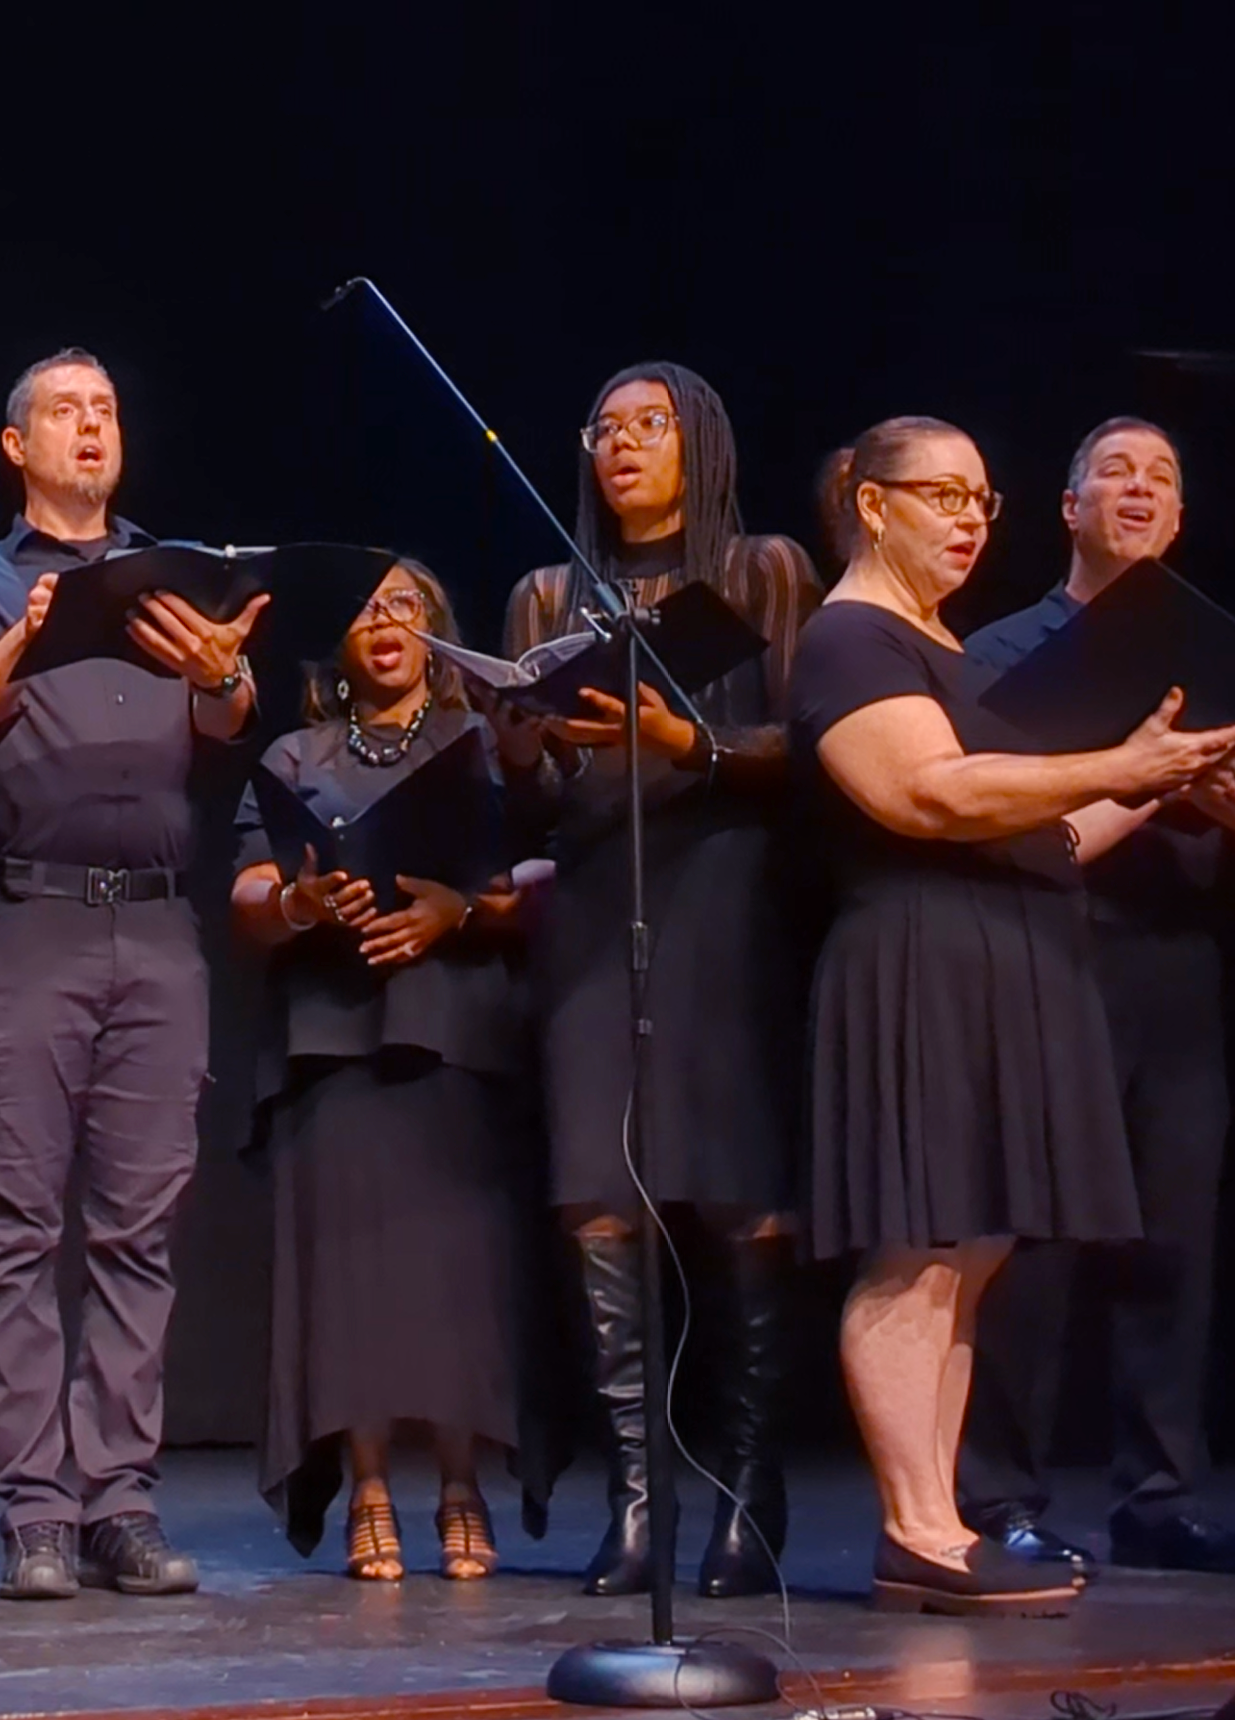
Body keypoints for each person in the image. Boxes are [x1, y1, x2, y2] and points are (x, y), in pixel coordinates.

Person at [790, 416, 1235, 1616]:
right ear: (872, 504)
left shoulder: (949, 647)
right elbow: (926, 791)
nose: (968, 519)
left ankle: (937, 1518)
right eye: (942, 494)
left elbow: (1056, 831)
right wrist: (1111, 764)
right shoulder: (850, 639)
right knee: (918, 1249)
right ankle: (915, 1526)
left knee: (969, 1257)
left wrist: (1163, 774)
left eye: (982, 498)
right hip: (921, 957)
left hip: (1008, 952)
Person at [0, 348, 264, 1602]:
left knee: (139, 1228)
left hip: (158, 932)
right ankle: (34, 1509)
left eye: (108, 407)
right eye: (66, 409)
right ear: (18, 445)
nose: (93, 427)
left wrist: (222, 671)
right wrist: (30, 640)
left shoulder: (177, 576)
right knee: (17, 1228)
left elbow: (229, 715)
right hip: (29, 921)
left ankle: (121, 1501)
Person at [954, 420, 1235, 1580]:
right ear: (1068, 506)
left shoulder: (1223, 658)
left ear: (1182, 517)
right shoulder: (1004, 649)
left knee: (1172, 1245)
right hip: (1053, 959)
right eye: (1118, 470)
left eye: (1163, 476)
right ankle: (999, 1494)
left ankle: (1159, 1495)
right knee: (1037, 1245)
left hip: (1180, 970)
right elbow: (990, 817)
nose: (1140, 489)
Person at [500, 364, 820, 1600]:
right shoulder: (545, 591)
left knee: (739, 1190)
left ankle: (748, 1486)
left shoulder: (763, 571)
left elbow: (812, 745)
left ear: (701, 442)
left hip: (725, 889)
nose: (623, 446)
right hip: (592, 893)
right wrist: (519, 741)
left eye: (651, 426)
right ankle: (641, 1496)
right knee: (597, 1190)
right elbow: (523, 791)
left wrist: (698, 743)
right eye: (605, 428)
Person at [231, 561, 550, 1584]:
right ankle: (368, 1486)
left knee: (460, 1273)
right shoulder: (294, 752)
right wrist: (304, 903)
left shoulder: (482, 748)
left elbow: (544, 875)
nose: (384, 622)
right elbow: (247, 892)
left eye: (407, 606)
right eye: (366, 606)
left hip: (456, 1027)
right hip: (335, 1034)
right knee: (353, 1277)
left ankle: (461, 1486)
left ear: (441, 635)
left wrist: (465, 907)